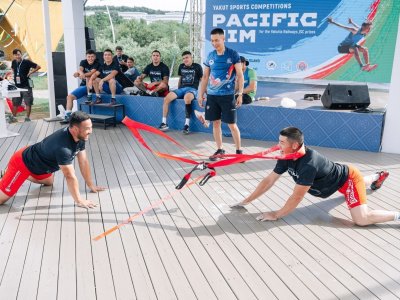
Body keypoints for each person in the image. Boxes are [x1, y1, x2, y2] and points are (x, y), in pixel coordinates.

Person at [232, 127, 398, 226]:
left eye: (282, 142)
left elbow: (296, 197)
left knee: (362, 219)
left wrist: (276, 214)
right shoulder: (286, 155)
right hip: (333, 181)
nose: (278, 146)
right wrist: (246, 200)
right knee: (362, 182)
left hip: (348, 179)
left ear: (295, 145)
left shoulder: (309, 164)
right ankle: (378, 176)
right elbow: (269, 180)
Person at [0, 111, 105, 208]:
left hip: (39, 164)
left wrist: (91, 185)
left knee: (49, 181)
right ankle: (15, 173)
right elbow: (70, 176)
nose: (90, 131)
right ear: (76, 129)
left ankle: (12, 173)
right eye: (87, 128)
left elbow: (83, 161)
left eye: (91, 127)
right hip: (22, 162)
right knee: (2, 199)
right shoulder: (63, 148)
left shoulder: (80, 136)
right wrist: (79, 201)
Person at [198, 28, 244, 161]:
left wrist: (239, 94)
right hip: (212, 96)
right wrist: (200, 94)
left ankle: (239, 151)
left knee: (231, 124)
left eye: (217, 40)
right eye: (212, 41)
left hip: (228, 96)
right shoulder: (210, 56)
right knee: (216, 123)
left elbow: (240, 76)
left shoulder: (233, 54)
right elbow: (205, 76)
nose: (214, 43)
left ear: (223, 39)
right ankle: (220, 149)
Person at [159, 51, 203, 134]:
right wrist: (178, 91)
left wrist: (205, 93)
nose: (185, 60)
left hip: (192, 89)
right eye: (183, 58)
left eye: (186, 57)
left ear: (191, 58)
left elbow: (202, 80)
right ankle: (164, 123)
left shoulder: (197, 66)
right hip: (181, 89)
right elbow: (180, 78)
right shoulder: (181, 66)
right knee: (166, 98)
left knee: (187, 98)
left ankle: (186, 125)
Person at [61, 49, 99, 123]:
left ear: (94, 57)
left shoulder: (97, 63)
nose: (90, 58)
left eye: (92, 57)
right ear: (86, 57)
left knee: (88, 77)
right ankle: (68, 115)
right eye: (89, 57)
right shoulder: (83, 61)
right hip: (84, 86)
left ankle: (89, 96)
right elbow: (80, 69)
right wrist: (79, 73)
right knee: (69, 97)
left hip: (93, 87)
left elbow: (92, 73)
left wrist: (80, 74)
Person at [9, 48, 41, 122]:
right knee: (15, 102)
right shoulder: (14, 62)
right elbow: (13, 69)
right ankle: (14, 117)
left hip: (26, 86)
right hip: (17, 86)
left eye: (18, 54)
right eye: (15, 55)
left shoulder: (27, 62)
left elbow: (38, 66)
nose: (17, 56)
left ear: (21, 54)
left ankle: (27, 117)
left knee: (28, 102)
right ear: (14, 56)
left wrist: (30, 73)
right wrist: (14, 74)